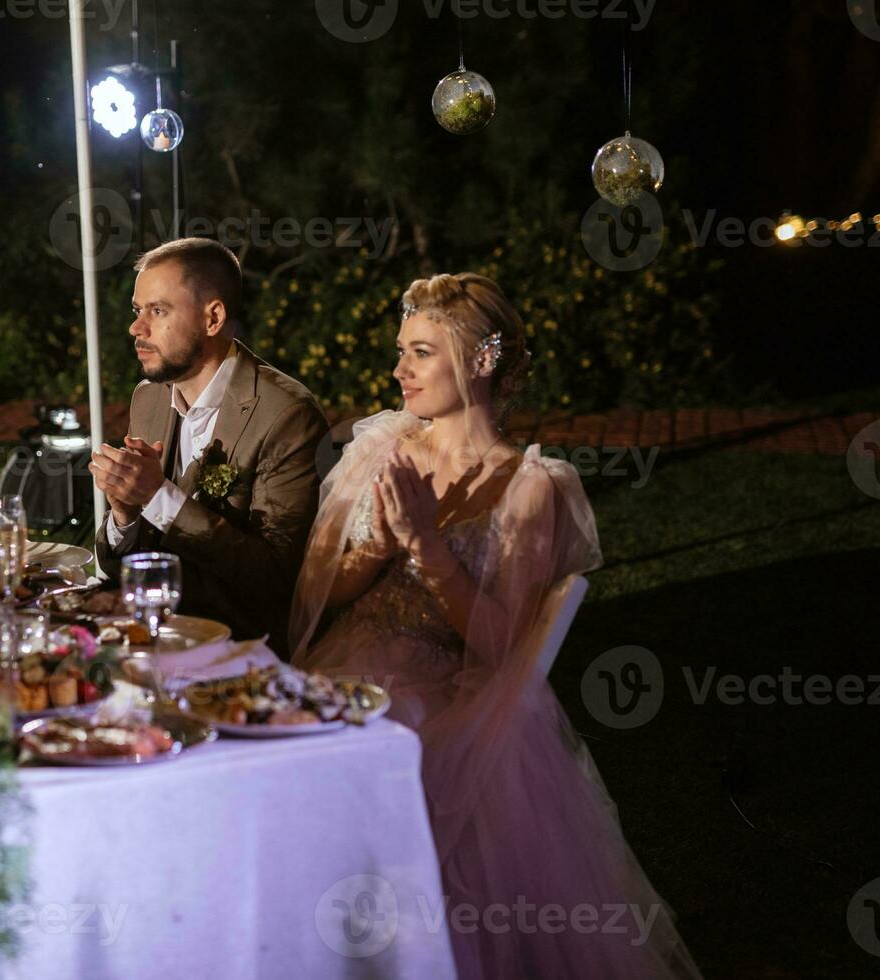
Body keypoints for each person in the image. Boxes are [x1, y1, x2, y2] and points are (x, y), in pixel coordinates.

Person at [290, 272, 701, 979]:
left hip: (453, 694)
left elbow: (498, 643)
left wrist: (428, 549)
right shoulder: (380, 449)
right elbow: (314, 599)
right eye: (400, 351)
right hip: (338, 670)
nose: (399, 370)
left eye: (420, 352)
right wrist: (382, 547)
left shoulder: (530, 485)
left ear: (481, 362)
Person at [92, 238, 329, 655]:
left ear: (213, 318)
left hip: (243, 651)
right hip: (152, 635)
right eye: (137, 310)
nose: (136, 328)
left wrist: (156, 496)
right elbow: (121, 568)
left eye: (158, 311)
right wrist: (124, 515)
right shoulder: (148, 399)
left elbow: (276, 579)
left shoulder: (287, 415)